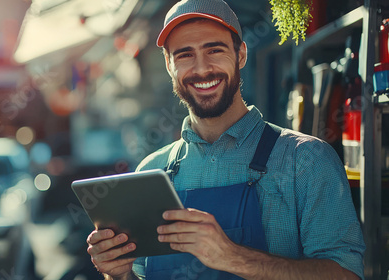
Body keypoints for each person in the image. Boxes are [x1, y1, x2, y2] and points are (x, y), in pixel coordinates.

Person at [85, 0, 366, 279]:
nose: (202, 69)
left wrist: (232, 257)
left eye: (214, 50)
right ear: (169, 65)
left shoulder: (307, 160)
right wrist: (119, 274)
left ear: (241, 54)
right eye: (185, 55)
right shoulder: (150, 171)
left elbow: (347, 275)